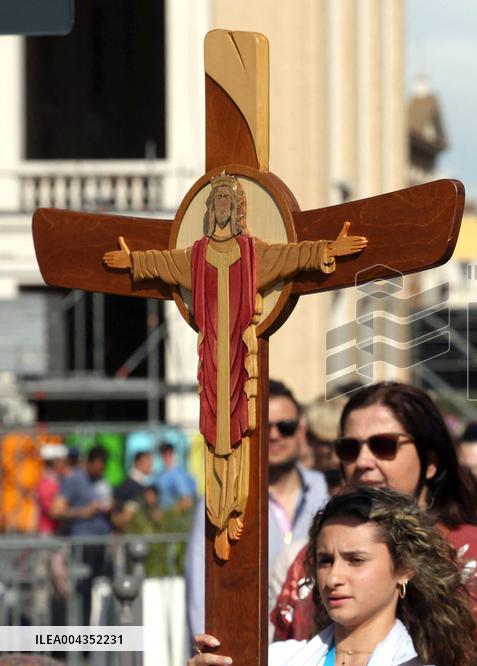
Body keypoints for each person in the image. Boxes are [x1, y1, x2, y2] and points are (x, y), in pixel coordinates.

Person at [104, 172, 366, 558]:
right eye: (218, 201)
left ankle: (231, 509)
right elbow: (162, 263)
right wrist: (132, 262)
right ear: (211, 210)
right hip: (211, 360)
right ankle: (218, 511)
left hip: (241, 363)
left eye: (229, 201)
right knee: (214, 432)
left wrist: (328, 249)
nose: (223, 207)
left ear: (239, 209)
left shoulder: (254, 254)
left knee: (238, 430)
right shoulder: (194, 257)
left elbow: (292, 256)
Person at [270, 382, 477, 665]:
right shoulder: (305, 561)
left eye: (383, 446)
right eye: (349, 448)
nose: (363, 461)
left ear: (430, 462)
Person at [190, 486, 477, 665]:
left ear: (404, 570)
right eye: (326, 560)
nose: (333, 578)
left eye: (356, 560)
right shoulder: (275, 659)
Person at [185, 379, 329, 636]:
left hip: (316, 647)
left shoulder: (325, 491)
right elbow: (200, 591)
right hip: (249, 649)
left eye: (286, 426)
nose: (274, 435)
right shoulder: (221, 500)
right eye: (264, 426)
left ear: (301, 430)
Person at [51, 446, 114, 625]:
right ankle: (73, 645)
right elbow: (56, 510)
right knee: (79, 596)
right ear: (90, 462)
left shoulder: (102, 481)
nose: (100, 471)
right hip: (81, 548)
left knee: (97, 595)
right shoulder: (74, 480)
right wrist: (83, 512)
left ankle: (91, 645)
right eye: (98, 466)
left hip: (101, 547)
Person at [37, 444, 69, 535]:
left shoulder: (61, 481)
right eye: (61, 461)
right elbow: (52, 511)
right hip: (48, 532)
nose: (64, 464)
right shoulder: (45, 483)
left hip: (60, 531)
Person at [155, 443, 195, 512]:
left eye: (166, 453)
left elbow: (187, 501)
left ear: (171, 453)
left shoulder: (178, 475)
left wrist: (166, 514)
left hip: (174, 520)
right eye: (162, 453)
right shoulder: (160, 474)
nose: (164, 456)